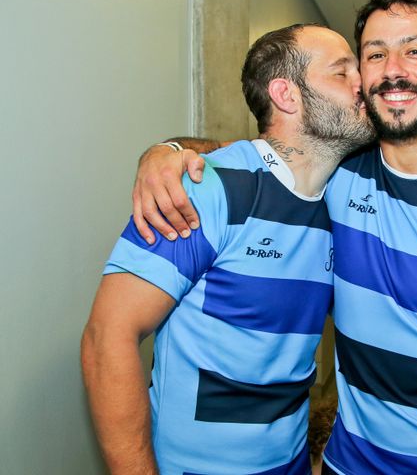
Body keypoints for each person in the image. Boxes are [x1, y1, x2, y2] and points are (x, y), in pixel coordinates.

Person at [133, 0, 417, 475]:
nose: (394, 69)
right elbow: (262, 150)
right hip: (346, 463)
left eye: (416, 51)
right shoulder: (338, 169)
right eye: (376, 54)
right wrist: (167, 152)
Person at [81, 23, 374, 475]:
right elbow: (107, 339)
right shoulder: (204, 190)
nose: (364, 84)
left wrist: (170, 145)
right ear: (286, 95)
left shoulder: (342, 202)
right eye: (342, 73)